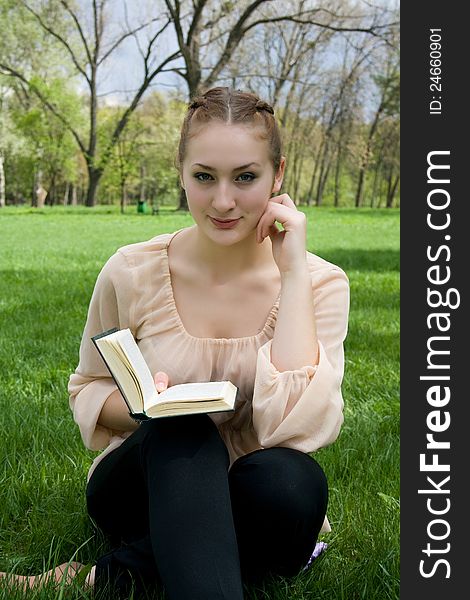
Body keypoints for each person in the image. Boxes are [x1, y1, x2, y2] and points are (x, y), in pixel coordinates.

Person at [2, 87, 349, 599]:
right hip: (146, 483)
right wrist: (150, 408)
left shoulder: (320, 283)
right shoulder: (132, 271)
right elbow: (90, 388)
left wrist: (293, 271)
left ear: (278, 176)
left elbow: (293, 430)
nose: (223, 200)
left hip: (256, 496)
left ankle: (116, 572)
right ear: (182, 172)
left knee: (291, 482)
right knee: (184, 428)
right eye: (204, 177)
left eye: (246, 177)